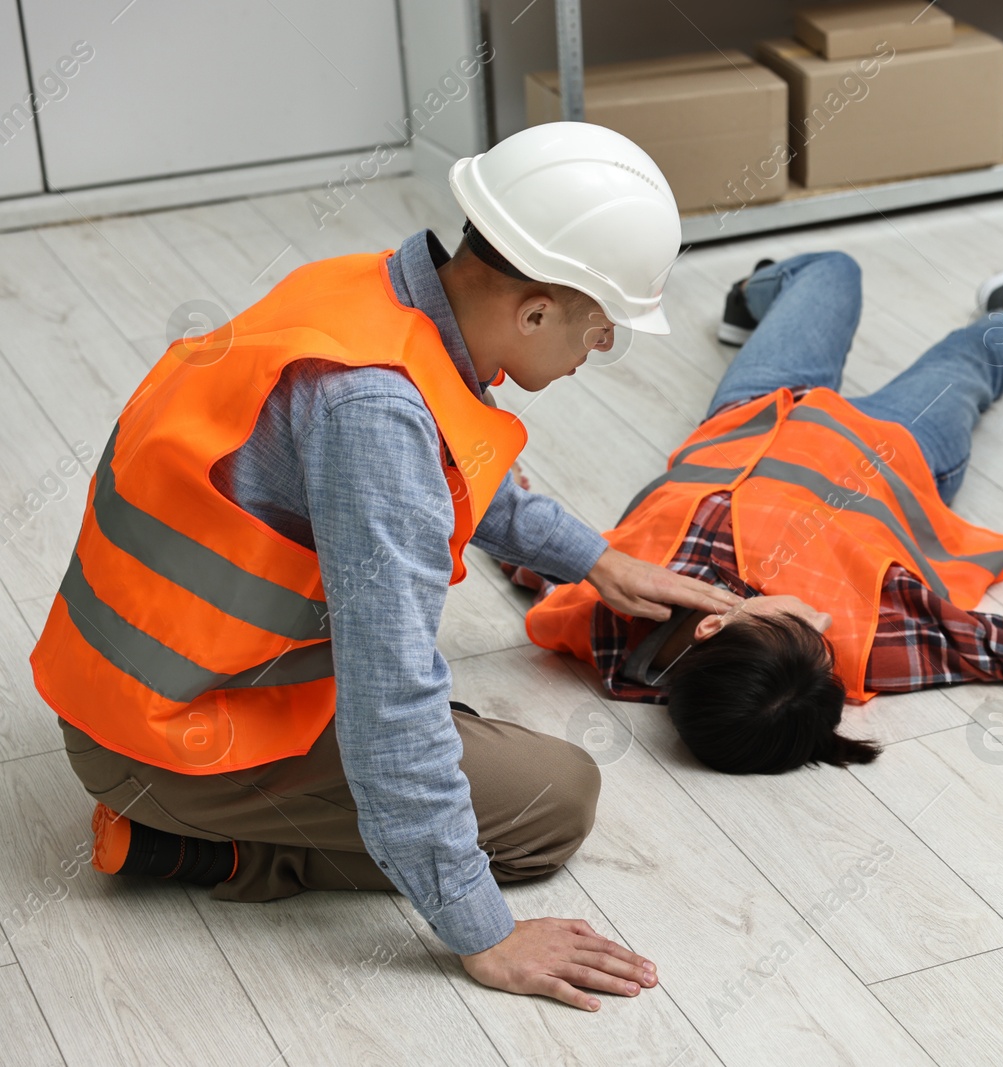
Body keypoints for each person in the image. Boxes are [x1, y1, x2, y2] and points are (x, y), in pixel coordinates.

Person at [29, 123, 740, 1011]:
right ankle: (206, 845)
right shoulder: (373, 416)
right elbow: (391, 700)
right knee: (556, 799)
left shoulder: (370, 294)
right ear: (534, 312)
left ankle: (229, 819)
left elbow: (449, 469)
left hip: (130, 686)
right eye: (603, 332)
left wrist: (595, 560)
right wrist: (483, 932)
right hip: (169, 743)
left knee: (465, 741)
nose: (598, 352)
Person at [499, 237, 1003, 778]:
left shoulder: (613, 616)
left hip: (759, 408)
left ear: (713, 623)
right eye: (825, 645)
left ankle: (752, 296)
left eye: (803, 626)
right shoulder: (864, 641)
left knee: (832, 268)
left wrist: (501, 486)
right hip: (896, 446)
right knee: (976, 358)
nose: (827, 624)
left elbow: (529, 548)